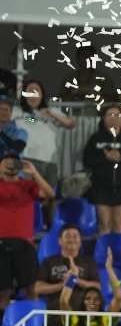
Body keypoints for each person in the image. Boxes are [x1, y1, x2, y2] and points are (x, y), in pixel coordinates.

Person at [34, 224, 100, 326]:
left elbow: (97, 286)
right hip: (55, 316)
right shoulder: (49, 262)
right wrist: (62, 285)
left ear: (80, 240)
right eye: (67, 236)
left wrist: (75, 280)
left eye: (75, 236)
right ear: (59, 241)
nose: (72, 239)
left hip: (82, 317)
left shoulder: (88, 262)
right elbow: (37, 288)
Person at [15, 80, 75, 223]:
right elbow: (31, 120)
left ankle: (49, 228)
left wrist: (52, 115)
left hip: (50, 162)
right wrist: (37, 118)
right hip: (27, 161)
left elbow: (71, 124)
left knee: (50, 197)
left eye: (36, 91)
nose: (33, 95)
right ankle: (28, 225)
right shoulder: (18, 112)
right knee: (27, 197)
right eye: (29, 91)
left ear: (42, 94)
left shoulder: (53, 112)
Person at [0, 151, 53, 313]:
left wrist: (34, 173)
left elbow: (50, 194)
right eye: (6, 162)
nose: (10, 165)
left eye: (14, 162)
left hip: (25, 243)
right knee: (3, 292)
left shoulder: (28, 185)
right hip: (0, 243)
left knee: (31, 289)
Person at [82, 102, 121, 235]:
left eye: (118, 115)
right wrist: (106, 158)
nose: (114, 118)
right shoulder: (96, 139)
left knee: (119, 226)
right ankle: (103, 255)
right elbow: (87, 161)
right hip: (101, 188)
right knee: (104, 225)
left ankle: (118, 255)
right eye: (110, 115)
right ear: (104, 118)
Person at [61, 250, 121, 326]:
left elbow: (118, 297)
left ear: (101, 302)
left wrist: (109, 269)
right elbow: (63, 302)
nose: (92, 301)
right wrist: (73, 277)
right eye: (88, 298)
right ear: (82, 301)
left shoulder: (105, 319)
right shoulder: (74, 319)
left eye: (96, 299)